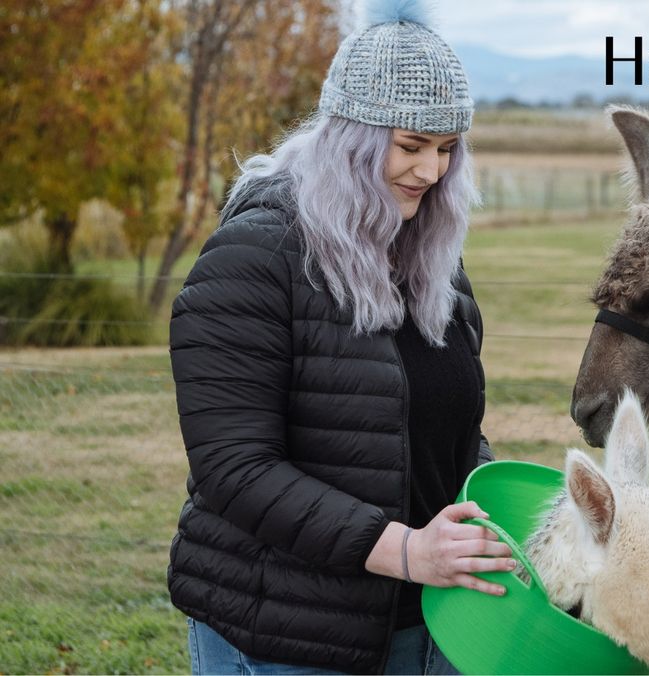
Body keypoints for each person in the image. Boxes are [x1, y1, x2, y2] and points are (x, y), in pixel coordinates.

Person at [166, 1, 513, 673]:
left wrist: (493, 514)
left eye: (447, 150)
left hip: (429, 623)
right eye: (411, 147)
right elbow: (236, 469)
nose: (432, 172)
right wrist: (406, 551)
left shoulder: (433, 264)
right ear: (349, 137)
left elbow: (446, 431)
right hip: (289, 632)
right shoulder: (257, 256)